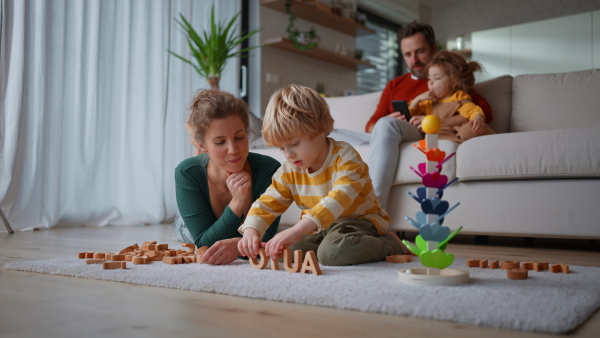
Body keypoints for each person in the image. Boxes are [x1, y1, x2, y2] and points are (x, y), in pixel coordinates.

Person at [237, 85, 406, 266]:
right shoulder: (289, 170)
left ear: (319, 129)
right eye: (282, 148)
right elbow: (267, 203)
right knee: (285, 252)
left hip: (359, 223)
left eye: (294, 143)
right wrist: (251, 230)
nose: (288, 155)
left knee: (331, 253)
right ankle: (325, 246)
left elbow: (339, 198)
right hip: (321, 228)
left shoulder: (345, 157)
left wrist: (298, 230)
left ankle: (389, 243)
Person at [366, 21, 492, 209]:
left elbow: (482, 111)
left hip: (422, 132)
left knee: (385, 125)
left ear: (433, 48)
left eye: (420, 51)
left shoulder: (448, 79)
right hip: (392, 130)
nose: (414, 60)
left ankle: (374, 212)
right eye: (408, 55)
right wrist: (388, 121)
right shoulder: (395, 85)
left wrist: (437, 122)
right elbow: (370, 125)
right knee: (332, 134)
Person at [174, 89, 281, 265]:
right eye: (220, 142)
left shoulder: (269, 170)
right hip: (187, 224)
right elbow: (204, 245)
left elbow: (266, 239)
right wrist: (237, 203)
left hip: (221, 227)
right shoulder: (187, 173)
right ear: (203, 145)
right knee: (186, 234)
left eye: (239, 137)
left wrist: (238, 246)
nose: (233, 150)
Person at [408, 50, 495, 142]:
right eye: (429, 78)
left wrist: (478, 116)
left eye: (437, 78)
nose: (430, 82)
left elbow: (471, 109)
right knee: (430, 136)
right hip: (441, 134)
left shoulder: (458, 96)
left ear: (453, 82)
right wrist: (416, 100)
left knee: (468, 131)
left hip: (456, 131)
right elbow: (411, 115)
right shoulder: (429, 101)